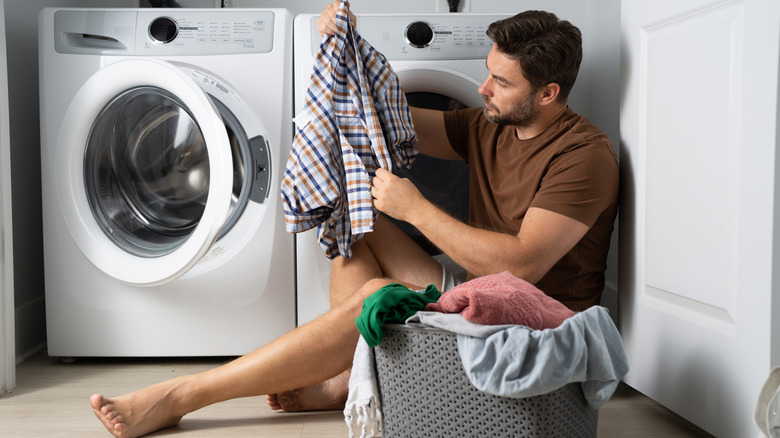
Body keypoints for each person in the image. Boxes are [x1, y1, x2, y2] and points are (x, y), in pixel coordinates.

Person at [90, 3, 618, 437]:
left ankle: (183, 395)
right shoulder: (489, 125)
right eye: (485, 72)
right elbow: (381, 117)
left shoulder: (583, 156)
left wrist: (416, 209)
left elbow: (522, 268)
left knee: (378, 297)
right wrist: (344, 53)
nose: (482, 89)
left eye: (500, 82)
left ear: (547, 94)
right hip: (478, 292)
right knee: (354, 219)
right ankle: (346, 374)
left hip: (532, 319)